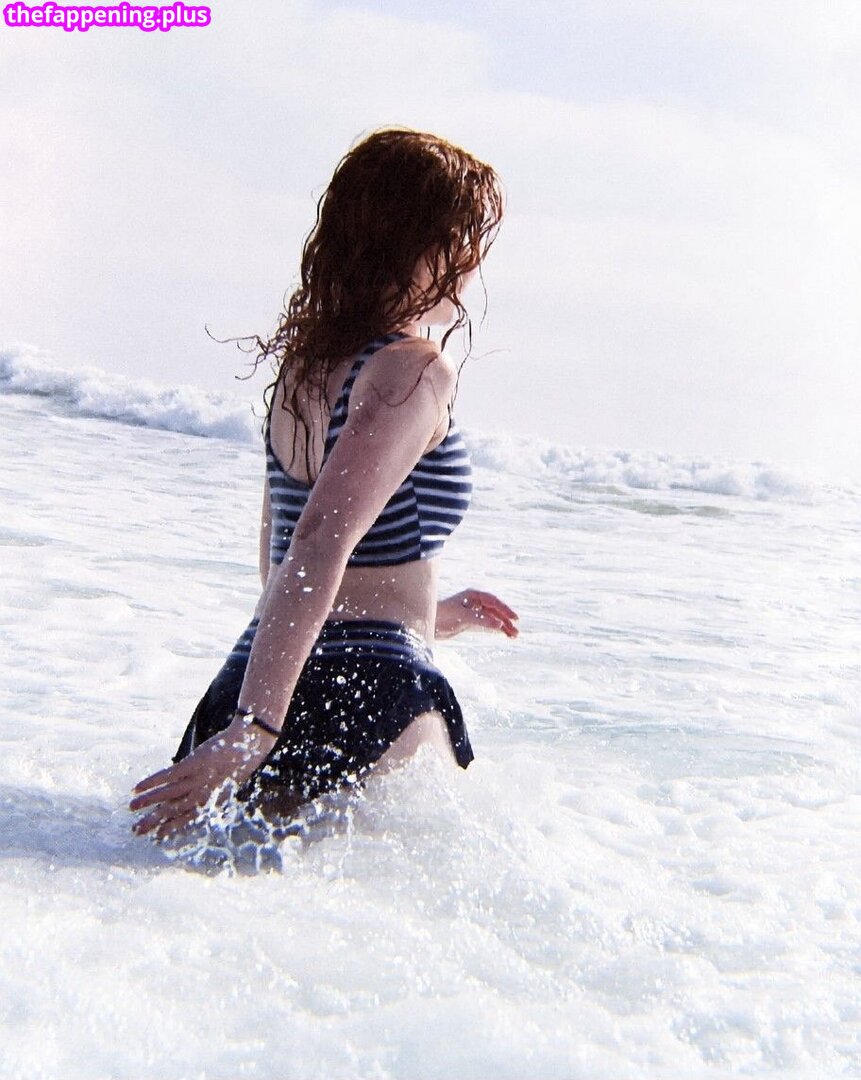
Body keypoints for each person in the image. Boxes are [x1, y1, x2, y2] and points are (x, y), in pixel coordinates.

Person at [130, 127, 518, 841]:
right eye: (462, 240)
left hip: (252, 680)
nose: (472, 264)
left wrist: (437, 615)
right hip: (367, 688)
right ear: (419, 244)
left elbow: (283, 563)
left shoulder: (304, 368)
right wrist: (257, 729)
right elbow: (317, 542)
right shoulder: (413, 369)